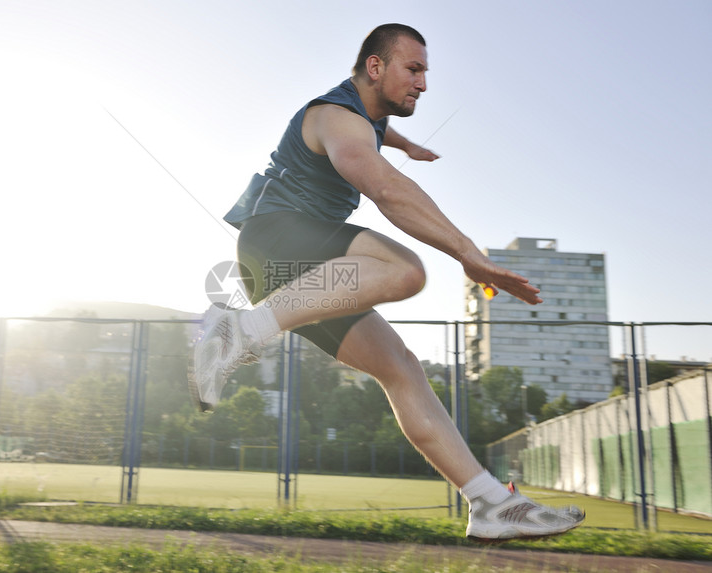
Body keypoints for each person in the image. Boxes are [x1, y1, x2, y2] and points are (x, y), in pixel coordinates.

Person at [190, 23, 584, 541]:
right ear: (375, 67)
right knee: (404, 270)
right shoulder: (335, 117)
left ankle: (490, 504)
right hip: (277, 239)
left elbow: (380, 131)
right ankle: (240, 331)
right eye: (413, 69)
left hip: (300, 273)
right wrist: (470, 255)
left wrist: (407, 143)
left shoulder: (367, 118)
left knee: (401, 368)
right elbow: (384, 187)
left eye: (425, 72)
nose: (423, 83)